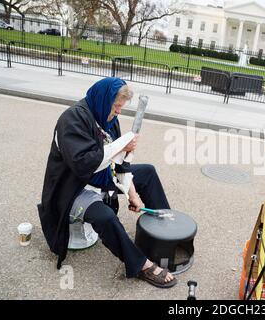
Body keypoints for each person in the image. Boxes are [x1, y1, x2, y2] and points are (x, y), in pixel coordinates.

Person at [38, 77, 177, 288]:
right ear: (104, 100)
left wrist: (133, 195)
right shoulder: (72, 119)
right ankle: (141, 265)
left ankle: (164, 236)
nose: (118, 111)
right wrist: (122, 144)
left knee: (147, 173)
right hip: (72, 188)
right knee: (106, 217)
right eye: (117, 106)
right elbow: (83, 164)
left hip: (100, 177)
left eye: (121, 107)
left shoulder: (109, 119)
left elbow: (119, 164)